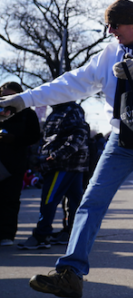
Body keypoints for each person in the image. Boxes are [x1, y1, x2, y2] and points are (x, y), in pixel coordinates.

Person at [0, 0, 133, 298]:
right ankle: (70, 272)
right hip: (122, 138)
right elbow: (73, 83)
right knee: (91, 201)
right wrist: (24, 99)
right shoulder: (109, 54)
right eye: (108, 25)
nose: (110, 31)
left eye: (115, 26)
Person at [18, 101, 89, 250]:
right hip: (68, 163)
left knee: (49, 199)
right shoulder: (61, 110)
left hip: (62, 164)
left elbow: (79, 134)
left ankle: (42, 235)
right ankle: (71, 232)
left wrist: (58, 155)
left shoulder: (70, 110)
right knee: (75, 201)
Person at [0, 81, 43, 247]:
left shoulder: (27, 114)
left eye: (9, 96)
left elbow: (33, 137)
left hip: (15, 164)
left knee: (10, 199)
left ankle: (6, 235)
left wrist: (14, 139)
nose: (5, 99)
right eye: (2, 96)